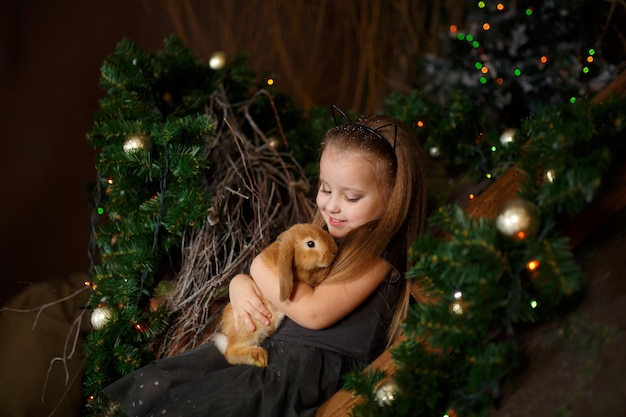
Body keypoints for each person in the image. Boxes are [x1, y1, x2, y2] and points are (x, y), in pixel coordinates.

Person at [103, 106, 428, 417]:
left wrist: (257, 266)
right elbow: (279, 279)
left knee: (199, 408)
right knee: (155, 383)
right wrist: (240, 283)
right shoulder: (323, 239)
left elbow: (312, 312)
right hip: (264, 346)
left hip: (296, 371)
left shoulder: (379, 254)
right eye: (325, 188)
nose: (331, 205)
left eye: (351, 197)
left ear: (394, 197)